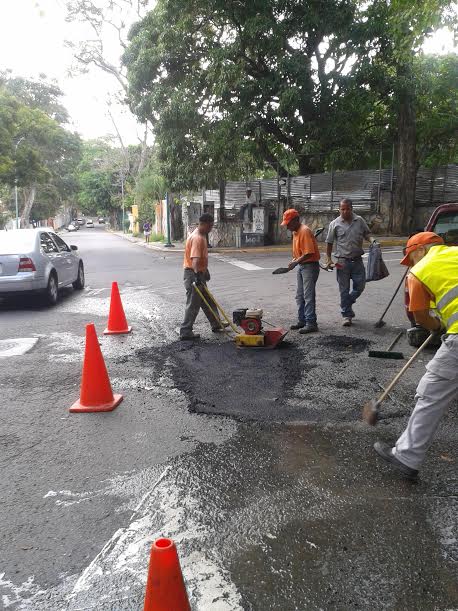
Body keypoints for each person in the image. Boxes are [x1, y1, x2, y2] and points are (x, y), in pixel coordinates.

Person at [373, 232, 458, 479]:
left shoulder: (420, 270)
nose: (410, 264)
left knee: (431, 393)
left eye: (410, 258)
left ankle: (406, 457)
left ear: (420, 250)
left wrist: (437, 327)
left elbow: (420, 316)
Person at [325, 198, 375, 326]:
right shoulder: (334, 224)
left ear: (351, 209)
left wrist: (373, 240)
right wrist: (328, 258)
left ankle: (347, 302)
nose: (345, 211)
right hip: (342, 262)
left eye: (347, 209)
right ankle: (346, 316)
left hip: (357, 260)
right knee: (344, 290)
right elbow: (329, 242)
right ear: (339, 209)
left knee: (360, 285)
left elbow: (367, 234)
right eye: (342, 209)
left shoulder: (359, 220)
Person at [179, 213, 224, 340]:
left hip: (198, 272)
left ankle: (216, 323)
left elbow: (200, 259)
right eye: (210, 226)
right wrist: (198, 276)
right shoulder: (198, 238)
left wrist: (205, 271)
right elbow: (195, 260)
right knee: (193, 304)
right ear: (203, 224)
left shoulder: (201, 234)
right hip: (193, 274)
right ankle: (185, 331)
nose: (210, 229)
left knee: (208, 300)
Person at [281, 209, 321, 334]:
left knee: (308, 296)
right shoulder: (295, 232)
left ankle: (311, 323)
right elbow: (300, 251)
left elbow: (309, 253)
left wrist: (296, 262)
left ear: (296, 220)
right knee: (300, 296)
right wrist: (294, 260)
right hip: (302, 266)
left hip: (309, 266)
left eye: (288, 223)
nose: (287, 226)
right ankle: (302, 320)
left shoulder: (304, 231)